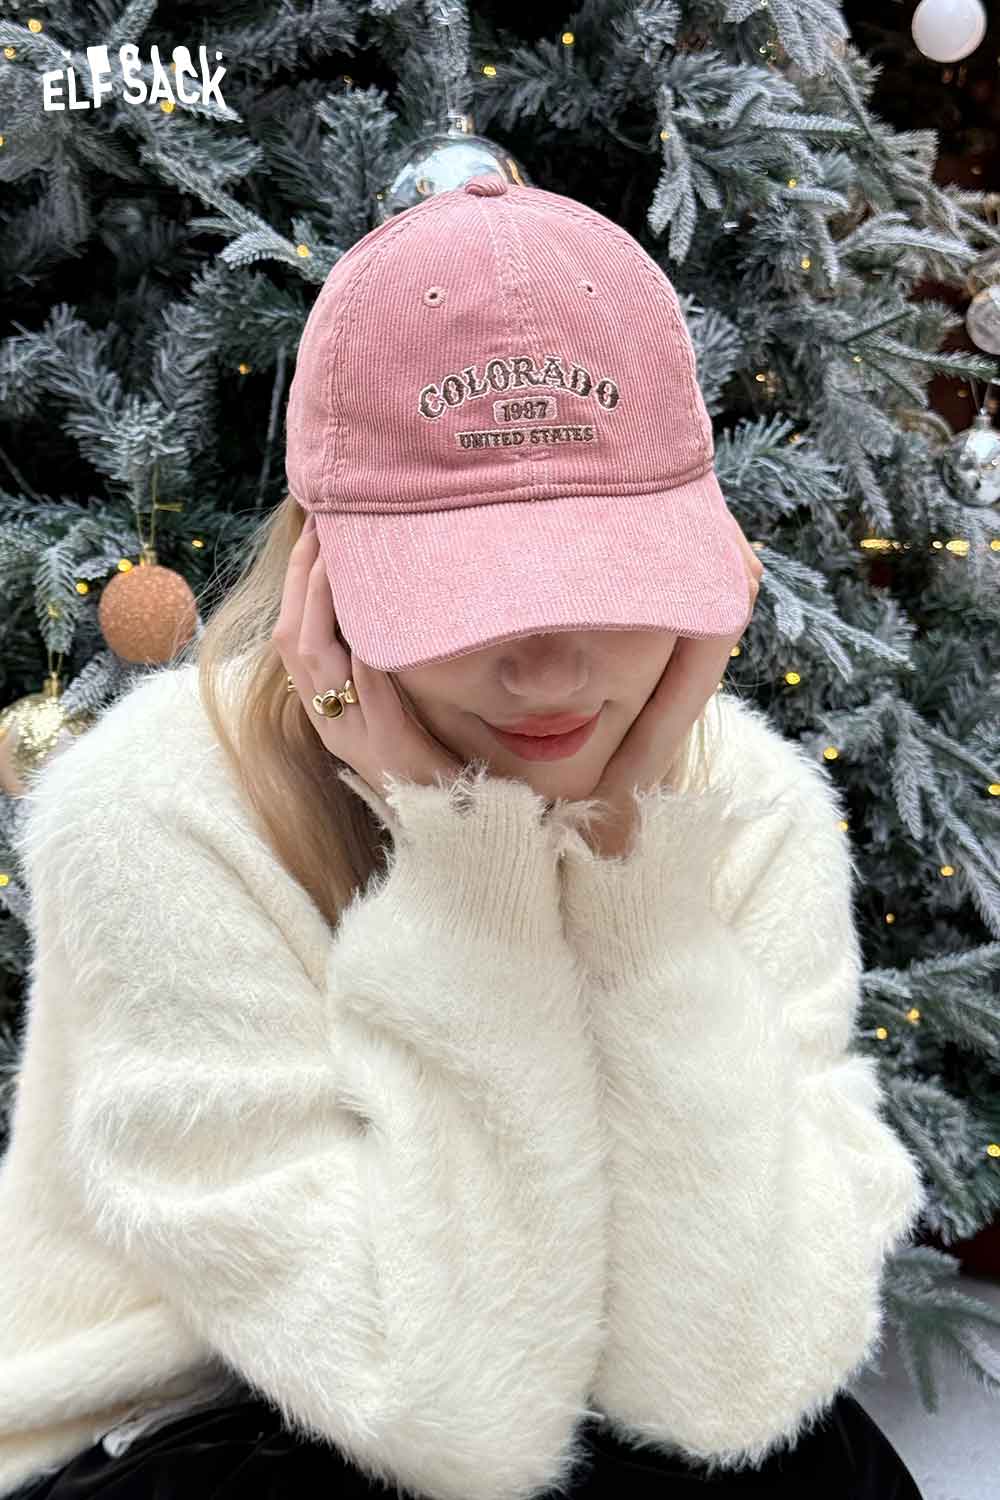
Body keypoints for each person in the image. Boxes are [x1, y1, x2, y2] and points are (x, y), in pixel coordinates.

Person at [0, 174, 926, 1500]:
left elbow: (725, 1381)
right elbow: (452, 1410)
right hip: (174, 1434)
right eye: (470, 593)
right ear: (328, 576)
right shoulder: (162, 815)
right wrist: (471, 878)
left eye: (606, 580)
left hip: (562, 1401)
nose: (547, 673)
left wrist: (633, 879)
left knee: (818, 1473)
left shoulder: (749, 814)